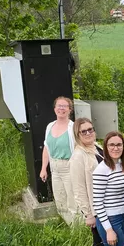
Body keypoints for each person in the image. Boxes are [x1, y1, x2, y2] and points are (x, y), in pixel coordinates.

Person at [69, 117, 106, 246]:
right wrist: (88, 214)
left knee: (106, 242)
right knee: (100, 243)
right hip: (96, 208)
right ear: (77, 134)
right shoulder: (78, 156)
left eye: (90, 129)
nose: (88, 133)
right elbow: (78, 188)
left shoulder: (97, 147)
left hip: (108, 204)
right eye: (83, 131)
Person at [39, 96, 76, 224]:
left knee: (73, 200)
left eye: (65, 106)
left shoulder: (73, 128)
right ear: (54, 109)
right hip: (54, 168)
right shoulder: (50, 126)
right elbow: (46, 148)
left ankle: (78, 230)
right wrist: (44, 168)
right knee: (60, 200)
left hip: (69, 167)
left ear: (70, 110)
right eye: (59, 106)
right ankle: (68, 225)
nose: (61, 108)